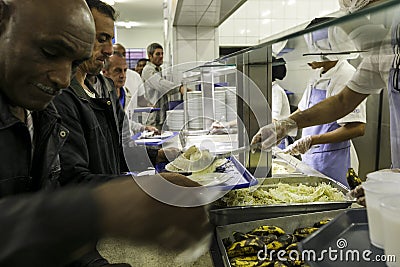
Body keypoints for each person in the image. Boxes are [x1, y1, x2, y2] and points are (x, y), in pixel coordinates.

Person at [252, 0, 396, 205]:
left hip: (333, 160)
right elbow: (340, 102)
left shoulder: (349, 71)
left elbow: (356, 124)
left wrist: (309, 139)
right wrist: (283, 125)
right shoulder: (380, 56)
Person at [102, 53, 158, 134]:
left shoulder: (126, 94)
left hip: (127, 142)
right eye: (117, 70)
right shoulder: (99, 96)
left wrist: (143, 128)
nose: (122, 75)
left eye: (125, 70)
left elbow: (125, 121)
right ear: (105, 72)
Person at [142, 42, 185, 130]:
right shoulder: (148, 70)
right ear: (150, 56)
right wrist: (179, 88)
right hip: (152, 118)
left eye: (162, 54)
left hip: (160, 115)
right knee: (154, 141)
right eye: (157, 54)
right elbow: (160, 84)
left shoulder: (158, 69)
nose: (161, 56)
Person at [113, 43, 151, 109]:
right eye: (116, 54)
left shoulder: (135, 76)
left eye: (123, 54)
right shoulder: (101, 76)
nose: (122, 76)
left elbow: (141, 99)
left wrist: (149, 105)